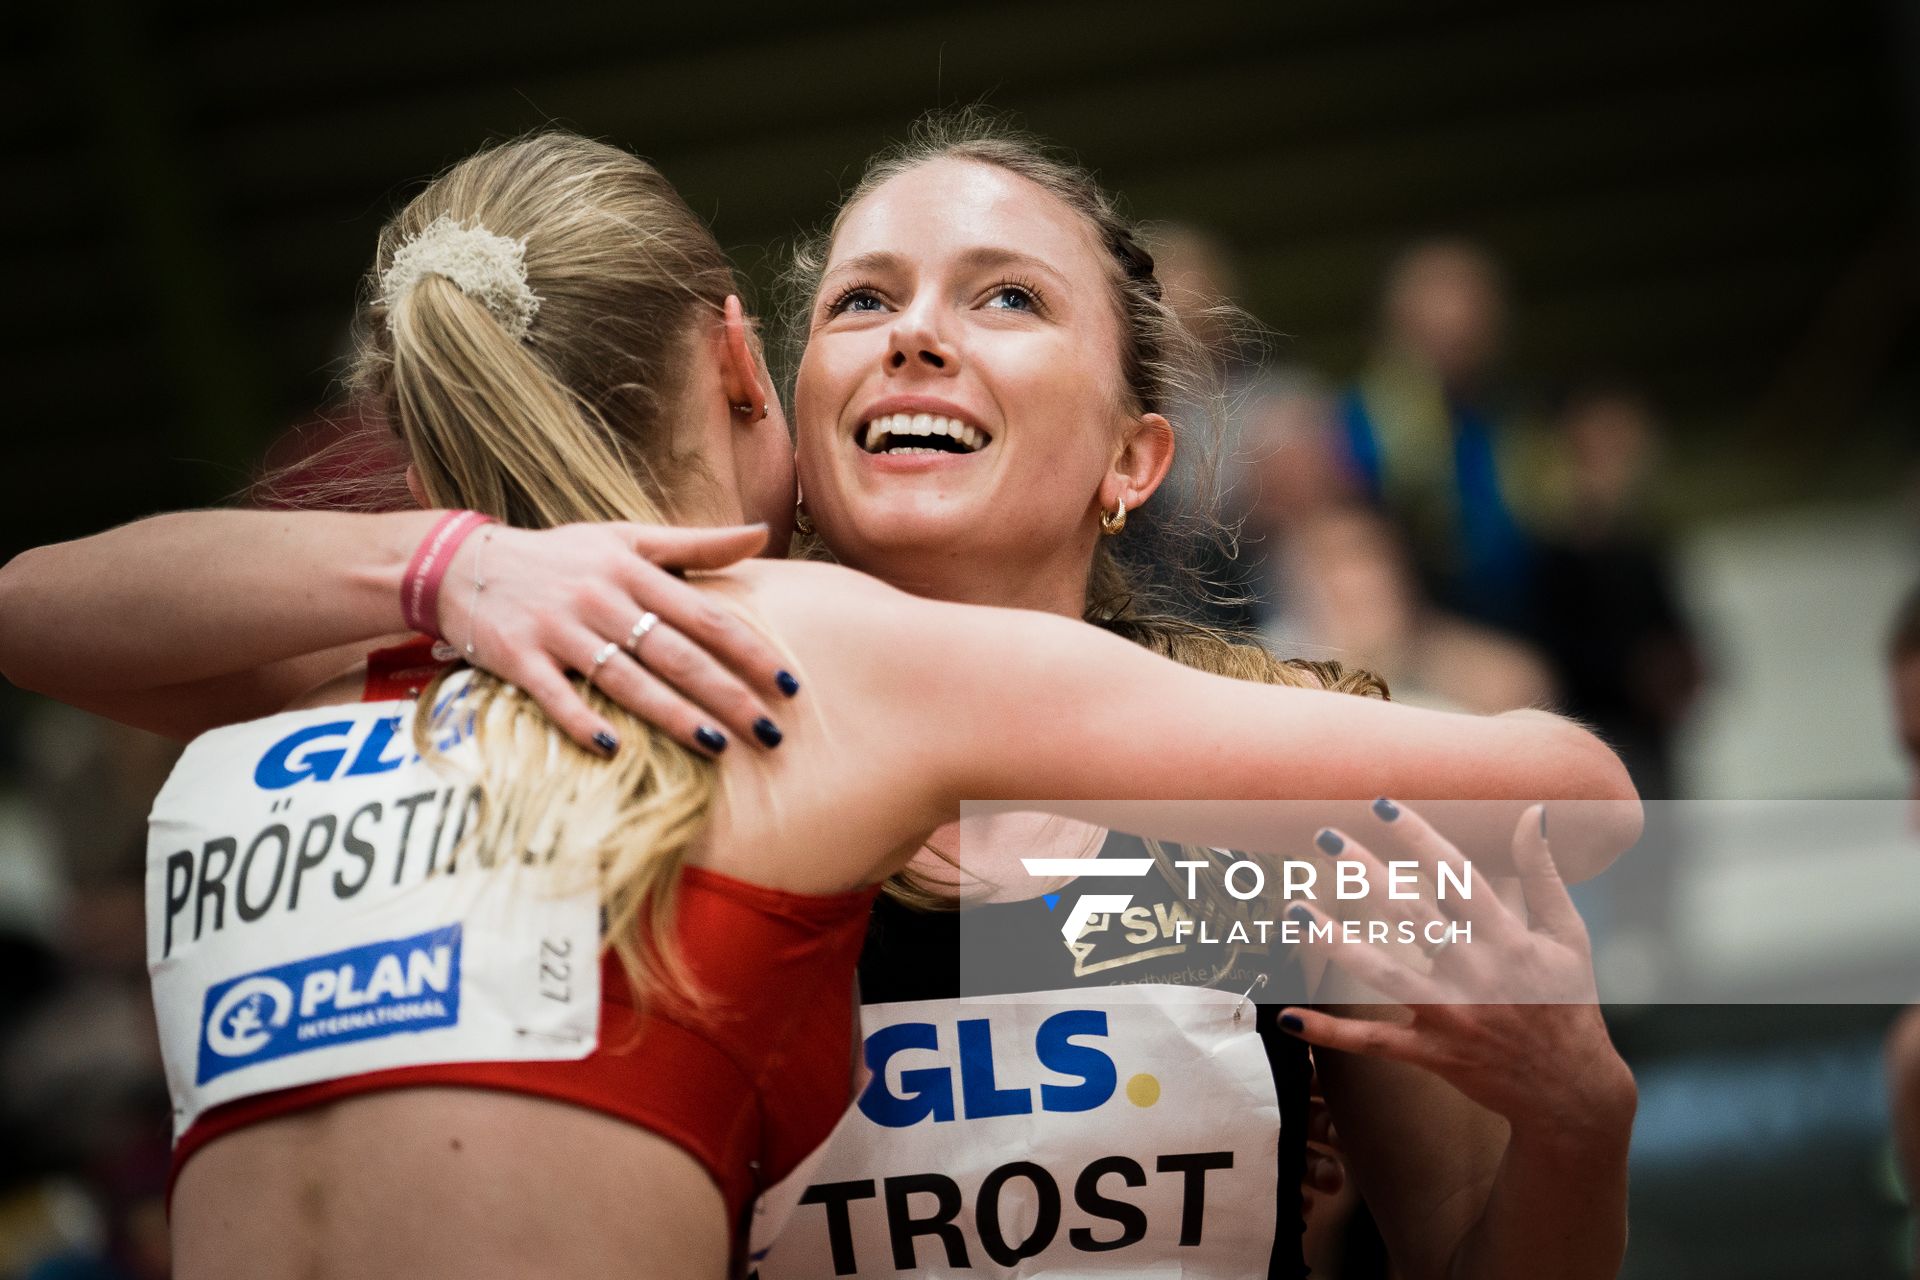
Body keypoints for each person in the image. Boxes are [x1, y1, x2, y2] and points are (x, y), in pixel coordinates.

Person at [0, 127, 1641, 1279]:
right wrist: (448, 571)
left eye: (1005, 298)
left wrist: (1576, 1134)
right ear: (771, 394)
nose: (916, 332)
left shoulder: (1268, 764)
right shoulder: (620, 671)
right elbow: (50, 607)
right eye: (861, 302)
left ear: (1138, 458)